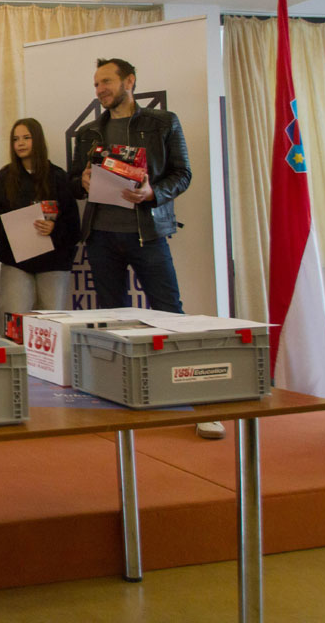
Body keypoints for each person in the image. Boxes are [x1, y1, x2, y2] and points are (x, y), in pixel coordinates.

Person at [68, 58, 215, 438]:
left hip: (147, 235)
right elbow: (72, 182)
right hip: (101, 237)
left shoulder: (163, 122)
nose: (99, 89)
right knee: (112, 322)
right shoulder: (88, 132)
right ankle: (121, 397)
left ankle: (197, 401)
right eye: (96, 83)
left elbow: (183, 173)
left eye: (106, 81)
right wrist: (82, 182)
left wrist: (153, 192)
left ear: (129, 81)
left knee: (171, 315)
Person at [0, 118, 81, 334]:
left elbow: (73, 226)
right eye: (15, 139)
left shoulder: (58, 177)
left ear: (37, 140)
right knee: (12, 322)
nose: (20, 143)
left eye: (26, 138)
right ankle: (14, 357)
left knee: (51, 324)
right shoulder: (4, 177)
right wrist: (14, 229)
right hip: (16, 262)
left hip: (53, 261)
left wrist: (54, 230)